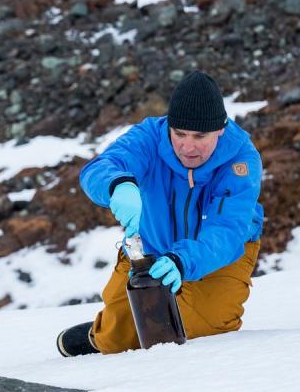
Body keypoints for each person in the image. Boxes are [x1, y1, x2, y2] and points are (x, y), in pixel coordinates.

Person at [57, 71, 264, 356]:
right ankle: (100, 334)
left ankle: (181, 308)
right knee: (115, 343)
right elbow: (102, 166)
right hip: (153, 243)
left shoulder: (241, 159)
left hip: (220, 252)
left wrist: (182, 260)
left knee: (200, 331)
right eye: (179, 134)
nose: (188, 147)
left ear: (220, 129)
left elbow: (227, 229)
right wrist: (117, 184)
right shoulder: (149, 137)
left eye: (199, 136)